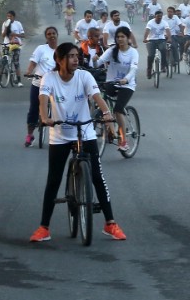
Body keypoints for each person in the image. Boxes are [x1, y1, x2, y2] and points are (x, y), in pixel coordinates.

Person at [30, 43, 127, 242]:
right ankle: (44, 227)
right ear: (59, 59)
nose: (76, 59)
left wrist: (107, 115)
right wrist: (44, 117)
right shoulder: (49, 78)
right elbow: (43, 100)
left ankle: (110, 223)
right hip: (59, 135)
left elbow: (97, 97)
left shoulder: (84, 76)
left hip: (85, 132)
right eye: (71, 56)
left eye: (77, 56)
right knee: (53, 180)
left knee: (97, 177)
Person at [96, 27, 139, 152]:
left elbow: (134, 68)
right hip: (112, 82)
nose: (120, 39)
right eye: (118, 37)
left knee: (118, 110)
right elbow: (100, 61)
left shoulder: (133, 52)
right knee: (100, 102)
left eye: (122, 36)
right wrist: (93, 62)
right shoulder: (112, 50)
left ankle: (124, 141)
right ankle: (109, 126)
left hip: (127, 85)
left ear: (127, 38)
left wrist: (126, 79)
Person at [22, 26, 60, 147]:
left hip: (54, 85)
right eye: (49, 34)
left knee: (60, 108)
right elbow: (33, 62)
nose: (51, 35)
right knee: (33, 109)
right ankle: (29, 135)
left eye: (53, 33)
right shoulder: (41, 49)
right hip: (38, 83)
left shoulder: (61, 51)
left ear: (57, 35)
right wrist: (28, 72)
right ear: (46, 37)